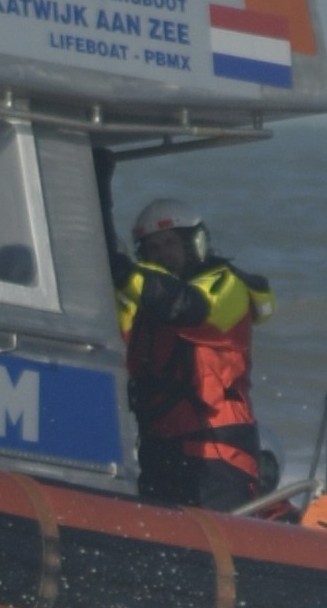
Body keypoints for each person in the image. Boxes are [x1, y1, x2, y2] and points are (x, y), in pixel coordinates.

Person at [118, 202, 279, 508]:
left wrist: (124, 274)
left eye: (170, 243)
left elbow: (187, 309)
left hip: (217, 449)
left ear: (193, 242)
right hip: (159, 446)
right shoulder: (145, 306)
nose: (163, 254)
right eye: (153, 248)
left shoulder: (225, 286)